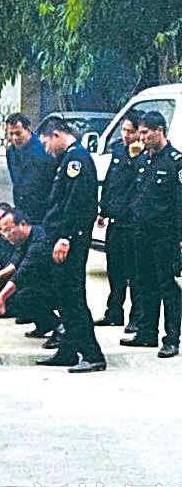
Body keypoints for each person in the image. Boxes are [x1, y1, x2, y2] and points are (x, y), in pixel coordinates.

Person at [36, 116, 106, 373]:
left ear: (56, 135)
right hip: (62, 237)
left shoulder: (77, 160)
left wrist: (66, 237)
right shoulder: (69, 158)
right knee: (62, 296)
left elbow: (77, 203)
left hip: (70, 240)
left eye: (46, 143)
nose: (46, 150)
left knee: (72, 297)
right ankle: (67, 350)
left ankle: (92, 353)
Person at [120, 111, 182, 358]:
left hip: (164, 235)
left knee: (167, 286)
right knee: (144, 283)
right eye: (141, 132)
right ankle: (147, 332)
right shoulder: (144, 160)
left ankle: (172, 339)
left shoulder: (175, 162)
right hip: (141, 233)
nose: (141, 137)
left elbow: (179, 204)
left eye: (146, 132)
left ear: (159, 131)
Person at [95, 110, 144, 332]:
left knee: (134, 274)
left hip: (132, 224)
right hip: (115, 221)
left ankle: (137, 317)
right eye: (124, 130)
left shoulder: (144, 156)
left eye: (131, 131)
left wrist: (136, 157)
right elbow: (110, 182)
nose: (126, 135)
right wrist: (103, 210)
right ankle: (114, 311)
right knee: (114, 271)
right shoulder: (117, 150)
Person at [0, 208, 62, 342]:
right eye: (4, 231)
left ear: (22, 224)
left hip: (60, 286)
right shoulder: (24, 237)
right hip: (44, 280)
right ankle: (44, 324)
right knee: (19, 292)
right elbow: (16, 260)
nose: (7, 235)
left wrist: (2, 296)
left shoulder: (39, 240)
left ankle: (60, 328)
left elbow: (23, 271)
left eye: (9, 230)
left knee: (24, 295)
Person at [5, 112, 57, 225]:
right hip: (21, 209)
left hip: (42, 210)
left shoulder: (44, 149)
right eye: (11, 134)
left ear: (28, 130)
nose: (14, 138)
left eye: (18, 133)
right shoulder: (10, 151)